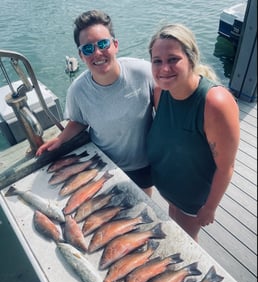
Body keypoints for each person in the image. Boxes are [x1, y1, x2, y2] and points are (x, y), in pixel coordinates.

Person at [36, 9, 155, 196]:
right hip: (102, 163)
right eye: (88, 49)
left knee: (144, 201)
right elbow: (78, 121)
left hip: (144, 162)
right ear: (81, 55)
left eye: (103, 44)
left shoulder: (144, 73)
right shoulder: (77, 90)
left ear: (115, 45)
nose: (97, 53)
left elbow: (168, 104)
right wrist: (60, 139)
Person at [146, 24, 240, 241]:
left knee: (186, 240)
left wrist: (210, 207)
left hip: (193, 199)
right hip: (168, 188)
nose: (164, 68)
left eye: (173, 59)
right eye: (157, 61)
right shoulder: (161, 91)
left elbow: (226, 166)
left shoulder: (215, 103)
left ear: (191, 58)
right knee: (173, 221)